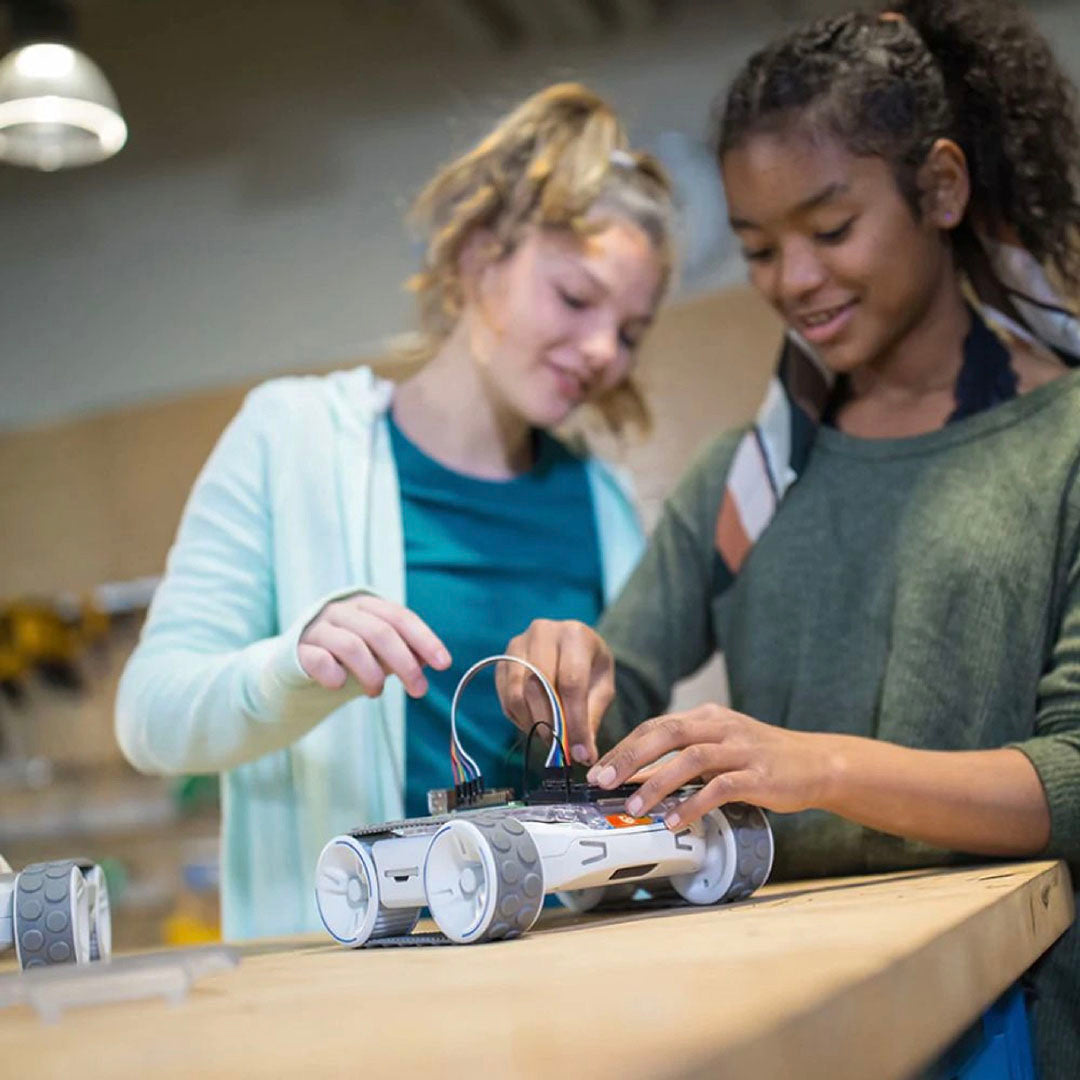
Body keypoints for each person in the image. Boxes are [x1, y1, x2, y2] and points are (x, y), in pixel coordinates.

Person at [496, 4, 1080, 1072]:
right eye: (759, 248)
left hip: (1018, 1015)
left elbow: (1075, 777)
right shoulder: (744, 480)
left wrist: (812, 768)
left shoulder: (1067, 447)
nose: (793, 280)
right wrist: (558, 682)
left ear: (940, 189)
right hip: (792, 1016)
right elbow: (611, 686)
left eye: (830, 227)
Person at [115, 83, 675, 940]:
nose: (605, 351)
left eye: (631, 330)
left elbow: (633, 776)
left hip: (573, 971)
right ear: (480, 255)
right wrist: (295, 666)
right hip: (349, 1001)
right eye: (574, 298)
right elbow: (149, 720)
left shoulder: (606, 504)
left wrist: (600, 712)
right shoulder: (289, 438)